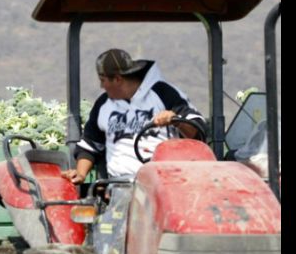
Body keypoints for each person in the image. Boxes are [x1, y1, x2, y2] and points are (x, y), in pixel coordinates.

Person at [61, 48, 207, 183]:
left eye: (103, 80)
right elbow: (90, 145)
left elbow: (197, 130)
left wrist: (175, 120)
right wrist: (80, 174)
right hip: (119, 186)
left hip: (164, 182)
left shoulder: (163, 93)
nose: (102, 86)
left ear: (117, 79)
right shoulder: (103, 104)